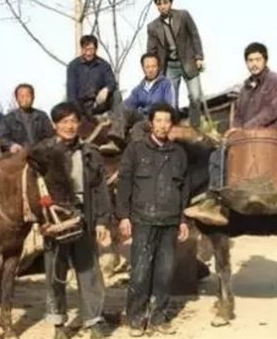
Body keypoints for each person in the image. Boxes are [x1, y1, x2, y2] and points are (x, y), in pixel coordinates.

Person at [184, 42, 277, 226]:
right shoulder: (246, 87)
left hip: (270, 138)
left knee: (225, 151)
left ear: (265, 60)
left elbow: (272, 111)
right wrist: (235, 129)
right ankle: (214, 198)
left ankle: (215, 199)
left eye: (257, 59)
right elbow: (239, 114)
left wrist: (246, 128)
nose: (254, 64)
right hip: (247, 139)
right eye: (250, 60)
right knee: (218, 151)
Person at [116, 102, 190, 337]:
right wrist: (123, 217)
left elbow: (184, 190)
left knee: (164, 273)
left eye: (167, 121)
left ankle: (159, 317)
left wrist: (183, 219)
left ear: (171, 124)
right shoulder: (135, 150)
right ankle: (136, 318)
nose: (163, 125)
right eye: (158, 120)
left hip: (169, 221)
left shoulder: (179, 154)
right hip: (143, 220)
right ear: (150, 123)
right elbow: (124, 184)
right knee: (140, 271)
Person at [42, 102, 112, 339]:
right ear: (55, 125)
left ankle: (93, 320)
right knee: (55, 271)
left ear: (79, 124)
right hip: (55, 218)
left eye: (73, 121)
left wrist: (102, 221)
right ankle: (58, 324)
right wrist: (42, 219)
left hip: (84, 214)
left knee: (88, 269)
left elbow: (100, 188)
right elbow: (34, 188)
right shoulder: (44, 153)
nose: (69, 126)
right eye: (64, 122)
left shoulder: (90, 153)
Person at [147, 0, 205, 127]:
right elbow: (151, 51)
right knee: (171, 102)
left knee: (195, 96)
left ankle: (195, 126)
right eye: (159, 4)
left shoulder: (183, 15)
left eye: (165, 3)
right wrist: (153, 71)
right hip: (169, 67)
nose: (162, 6)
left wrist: (199, 57)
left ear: (170, 3)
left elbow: (195, 35)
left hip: (188, 62)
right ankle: (175, 128)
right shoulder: (153, 27)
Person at [100, 52, 176, 153]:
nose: (150, 70)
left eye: (153, 66)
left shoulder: (166, 84)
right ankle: (115, 142)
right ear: (143, 68)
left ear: (158, 67)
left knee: (138, 127)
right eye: (147, 67)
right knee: (121, 108)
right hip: (141, 115)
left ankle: (140, 153)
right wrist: (112, 115)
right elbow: (128, 104)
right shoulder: (140, 87)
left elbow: (170, 107)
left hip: (156, 118)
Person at [67, 35, 118, 117]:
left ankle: (117, 120)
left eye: (91, 49)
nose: (88, 53)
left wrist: (106, 89)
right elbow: (71, 93)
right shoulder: (73, 66)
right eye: (85, 49)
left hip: (99, 104)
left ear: (96, 49)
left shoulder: (104, 65)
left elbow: (112, 82)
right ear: (81, 49)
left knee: (116, 95)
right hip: (81, 106)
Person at [0, 83, 54, 153]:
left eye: (28, 96)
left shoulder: (42, 116)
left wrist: (40, 148)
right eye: (22, 96)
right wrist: (11, 145)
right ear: (16, 98)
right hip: (17, 154)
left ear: (33, 97)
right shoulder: (9, 118)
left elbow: (50, 137)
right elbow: (1, 137)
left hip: (39, 154)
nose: (25, 99)